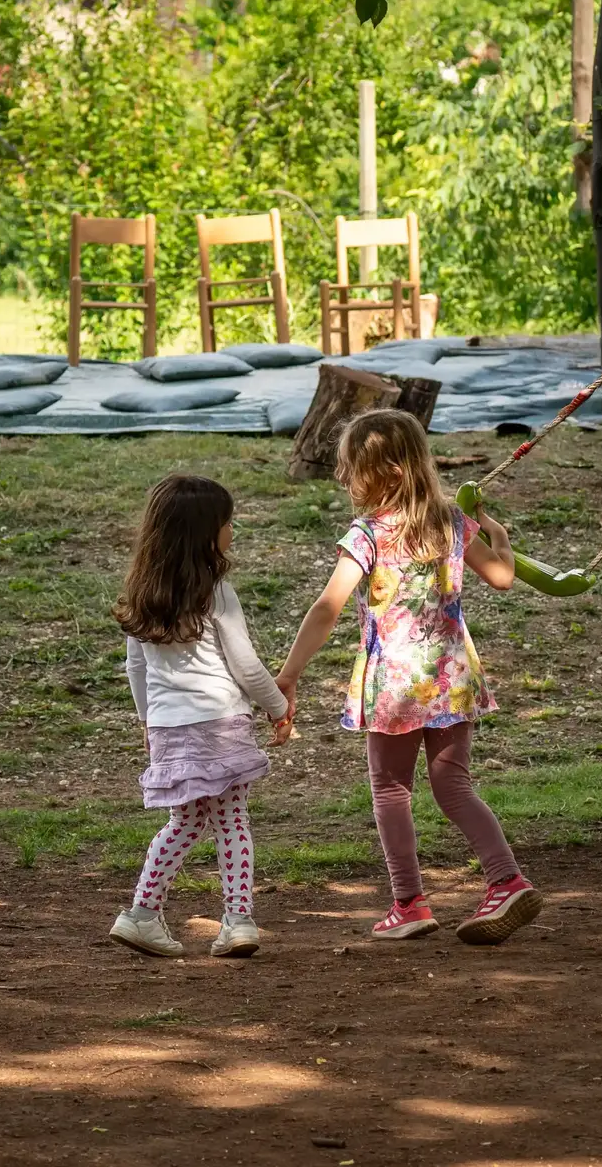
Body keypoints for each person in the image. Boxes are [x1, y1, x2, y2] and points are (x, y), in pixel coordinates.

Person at [275, 410, 541, 945]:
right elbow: (503, 577)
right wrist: (500, 535)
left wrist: (287, 675)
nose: (342, 476)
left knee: (390, 788)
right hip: (451, 677)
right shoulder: (452, 522)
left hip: (395, 685)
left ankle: (409, 903)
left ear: (391, 472)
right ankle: (506, 881)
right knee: (454, 785)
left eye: (352, 466)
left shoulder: (368, 534)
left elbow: (327, 608)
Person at [110, 474, 292, 960]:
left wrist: (147, 721)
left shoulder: (140, 594)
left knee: (186, 820)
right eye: (226, 522)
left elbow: (135, 668)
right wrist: (278, 707)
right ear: (203, 534)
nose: (232, 529)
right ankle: (238, 920)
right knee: (231, 819)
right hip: (220, 723)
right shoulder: (216, 592)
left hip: (168, 726)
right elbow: (245, 665)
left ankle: (142, 914)